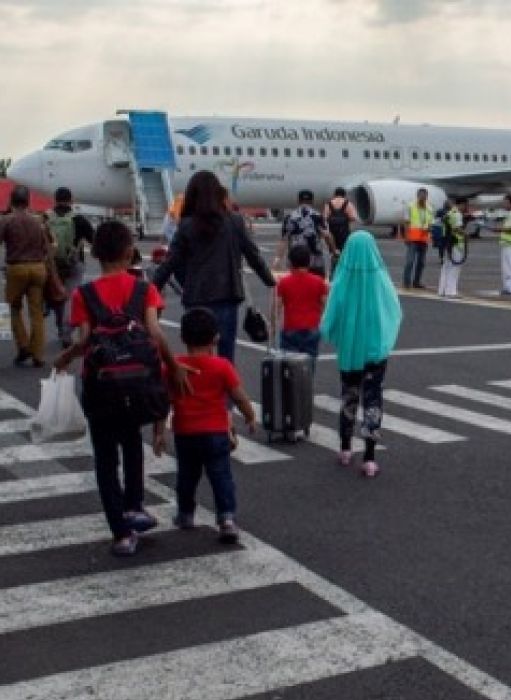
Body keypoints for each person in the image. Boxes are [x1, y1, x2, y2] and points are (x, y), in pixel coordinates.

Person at [54, 220, 190, 556]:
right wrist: (173, 368)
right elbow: (156, 334)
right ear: (130, 252)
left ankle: (121, 531)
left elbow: (85, 340)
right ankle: (134, 507)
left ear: (96, 253)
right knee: (132, 444)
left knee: (104, 457)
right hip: (137, 383)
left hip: (100, 386)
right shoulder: (144, 289)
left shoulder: (83, 294)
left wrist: (65, 357)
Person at [153, 307, 256, 543]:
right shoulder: (222, 366)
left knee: (187, 477)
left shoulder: (173, 367)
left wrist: (159, 432)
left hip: (185, 432)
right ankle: (227, 518)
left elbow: (163, 402)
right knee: (221, 476)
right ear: (216, 337)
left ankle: (186, 514)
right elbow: (239, 396)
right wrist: (249, 416)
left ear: (182, 337)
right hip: (216, 433)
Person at [154, 171, 277, 364]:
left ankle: (201, 388)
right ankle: (224, 390)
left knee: (197, 351)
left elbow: (170, 262)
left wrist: (151, 287)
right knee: (226, 354)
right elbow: (253, 255)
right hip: (227, 294)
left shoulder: (186, 225)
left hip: (196, 296)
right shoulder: (234, 221)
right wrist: (270, 280)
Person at [320, 231, 402, 477]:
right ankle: (370, 457)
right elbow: (394, 312)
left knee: (349, 397)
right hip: (375, 351)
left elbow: (330, 317)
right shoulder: (381, 277)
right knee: (373, 399)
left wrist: (335, 334)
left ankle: (345, 448)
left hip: (350, 350)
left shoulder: (342, 277)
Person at [0, 185, 51, 367]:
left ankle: (23, 346)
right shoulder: (39, 221)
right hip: (38, 269)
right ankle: (38, 355)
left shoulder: (6, 220)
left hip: (17, 268)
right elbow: (48, 248)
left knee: (13, 308)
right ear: (28, 201)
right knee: (36, 312)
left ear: (11, 201)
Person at [44, 187, 96, 349]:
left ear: (55, 199)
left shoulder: (46, 217)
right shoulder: (78, 219)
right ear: (71, 200)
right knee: (70, 298)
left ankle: (60, 328)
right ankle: (66, 333)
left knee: (58, 296)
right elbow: (93, 239)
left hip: (52, 264)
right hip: (74, 264)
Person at [273, 244, 328, 373]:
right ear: (309, 262)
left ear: (290, 262)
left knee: (289, 366)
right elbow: (325, 305)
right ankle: (306, 389)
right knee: (309, 364)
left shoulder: (284, 282)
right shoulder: (319, 282)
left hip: (291, 327)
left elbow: (277, 307)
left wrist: (273, 326)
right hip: (312, 327)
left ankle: (292, 390)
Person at [277, 189, 338, 279]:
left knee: (296, 287)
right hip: (315, 260)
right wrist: (333, 251)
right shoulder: (318, 216)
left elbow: (284, 239)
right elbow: (327, 235)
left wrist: (278, 257)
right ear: (312, 201)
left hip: (295, 260)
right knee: (317, 286)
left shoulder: (290, 217)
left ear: (298, 201)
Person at [402, 188, 434, 289]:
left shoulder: (429, 208)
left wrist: (430, 228)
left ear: (427, 196)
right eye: (421, 195)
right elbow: (407, 222)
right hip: (413, 238)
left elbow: (430, 222)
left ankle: (416, 281)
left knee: (421, 262)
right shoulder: (411, 206)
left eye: (424, 196)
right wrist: (407, 236)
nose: (422, 197)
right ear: (417, 196)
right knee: (410, 261)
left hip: (424, 238)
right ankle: (406, 282)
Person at [438, 197, 469, 298]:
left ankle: (442, 290)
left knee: (446, 267)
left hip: (447, 242)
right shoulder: (457, 214)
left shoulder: (449, 213)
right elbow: (457, 228)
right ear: (462, 204)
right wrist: (465, 234)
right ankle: (451, 291)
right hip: (455, 243)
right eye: (465, 205)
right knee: (454, 267)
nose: (466, 208)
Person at [322, 187, 358, 259]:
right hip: (344, 231)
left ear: (335, 194)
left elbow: (324, 217)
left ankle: (334, 263)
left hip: (332, 231)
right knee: (344, 250)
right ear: (344, 195)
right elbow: (353, 217)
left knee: (333, 250)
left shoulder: (329, 204)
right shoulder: (348, 203)